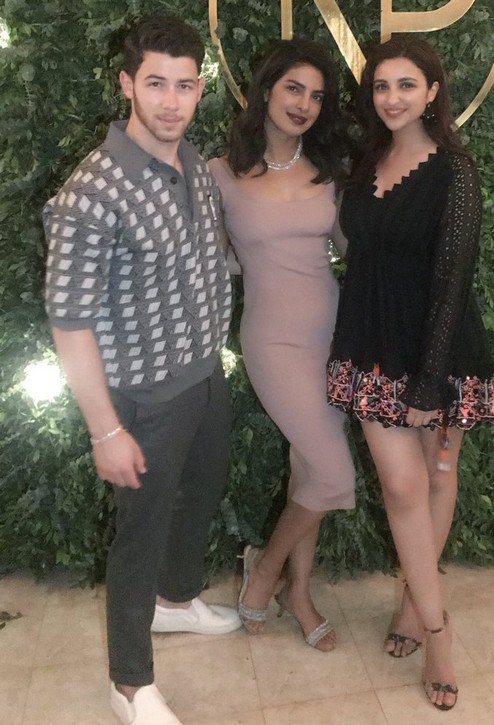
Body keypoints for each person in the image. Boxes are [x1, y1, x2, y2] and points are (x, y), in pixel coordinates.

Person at [43, 16, 241, 725]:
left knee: (202, 492)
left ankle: (175, 600)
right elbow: (69, 322)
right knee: (141, 534)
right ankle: (128, 684)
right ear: (126, 83)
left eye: (184, 85)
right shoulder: (91, 192)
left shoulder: (195, 164)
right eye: (156, 83)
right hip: (144, 398)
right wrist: (106, 430)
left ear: (200, 89)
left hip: (204, 374)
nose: (170, 101)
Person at [327, 36, 494, 710]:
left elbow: (454, 280)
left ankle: (413, 606)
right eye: (381, 85)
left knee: (437, 476)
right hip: (371, 342)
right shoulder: (364, 160)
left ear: (432, 92)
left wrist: (429, 384)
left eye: (406, 85)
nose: (392, 97)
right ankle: (439, 628)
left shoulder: (456, 171)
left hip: (439, 349)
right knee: (403, 487)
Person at [208, 39, 355, 652]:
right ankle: (265, 568)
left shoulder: (329, 172)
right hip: (272, 338)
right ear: (266, 89)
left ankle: (299, 592)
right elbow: (213, 260)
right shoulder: (220, 174)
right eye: (294, 88)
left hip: (334, 331)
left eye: (316, 96)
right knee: (333, 470)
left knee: (309, 465)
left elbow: (351, 250)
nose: (304, 104)